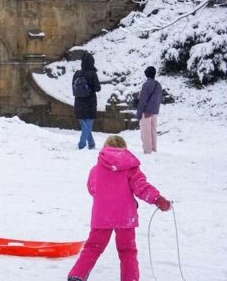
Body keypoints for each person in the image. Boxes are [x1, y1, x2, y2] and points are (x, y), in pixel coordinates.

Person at [67, 136, 172, 281]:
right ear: (124, 149)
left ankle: (77, 275)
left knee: (93, 247)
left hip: (102, 215)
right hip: (125, 217)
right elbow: (141, 187)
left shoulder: (96, 169)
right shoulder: (130, 168)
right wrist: (158, 199)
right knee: (127, 251)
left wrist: (107, 198)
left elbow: (92, 189)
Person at [72, 52, 102, 150]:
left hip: (79, 104)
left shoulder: (77, 73)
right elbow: (98, 88)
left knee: (85, 125)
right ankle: (81, 144)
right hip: (90, 103)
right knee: (88, 125)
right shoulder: (93, 74)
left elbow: (73, 88)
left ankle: (92, 144)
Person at [135, 66, 162, 154]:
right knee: (153, 130)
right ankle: (154, 148)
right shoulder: (158, 84)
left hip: (146, 112)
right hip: (154, 111)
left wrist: (139, 114)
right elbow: (158, 98)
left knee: (145, 131)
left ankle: (147, 150)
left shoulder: (146, 85)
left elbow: (143, 101)